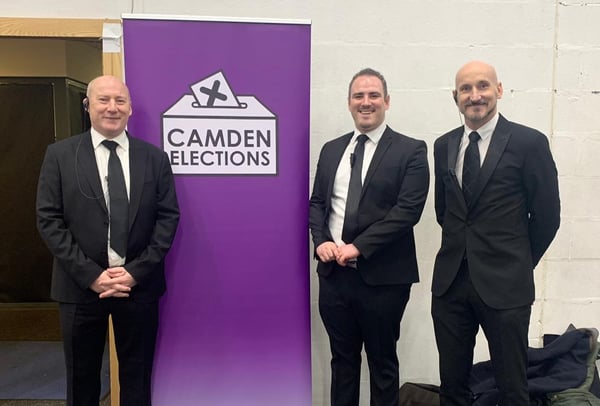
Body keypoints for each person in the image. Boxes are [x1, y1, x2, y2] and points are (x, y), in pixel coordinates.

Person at [36, 75, 180, 406]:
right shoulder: (59, 156)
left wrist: (134, 272)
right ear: (88, 106)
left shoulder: (154, 158)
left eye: (120, 101)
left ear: (130, 109)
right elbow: (49, 219)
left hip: (138, 287)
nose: (112, 108)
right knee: (82, 379)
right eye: (103, 100)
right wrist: (92, 276)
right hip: (79, 288)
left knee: (137, 377)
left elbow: (167, 218)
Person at [431, 60, 561, 406]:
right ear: (455, 97)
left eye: (483, 86)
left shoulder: (529, 143)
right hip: (450, 285)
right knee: (453, 387)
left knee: (511, 388)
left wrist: (516, 263)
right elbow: (444, 212)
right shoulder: (443, 145)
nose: (475, 96)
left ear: (499, 90)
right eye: (466, 89)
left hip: (507, 288)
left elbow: (548, 217)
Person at [309, 68, 429, 405]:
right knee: (343, 362)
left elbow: (407, 212)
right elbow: (318, 203)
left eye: (374, 95)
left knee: (382, 365)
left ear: (387, 101)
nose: (366, 102)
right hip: (334, 277)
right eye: (359, 96)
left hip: (384, 280)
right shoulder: (332, 150)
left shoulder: (412, 151)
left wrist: (358, 247)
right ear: (349, 103)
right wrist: (321, 242)